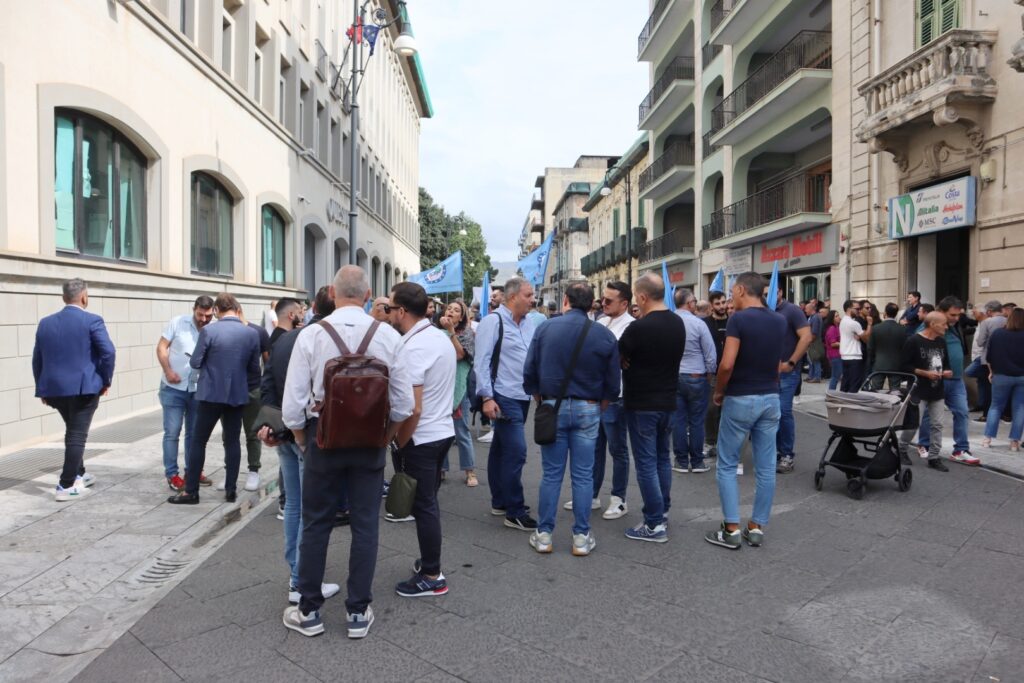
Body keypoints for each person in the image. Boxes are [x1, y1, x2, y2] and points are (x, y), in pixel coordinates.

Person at [280, 266, 413, 639]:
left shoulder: (311, 336)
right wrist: (383, 436)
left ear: (332, 294)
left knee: (316, 523)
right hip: (369, 444)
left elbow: (292, 406)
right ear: (369, 294)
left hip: (324, 441)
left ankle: (308, 610)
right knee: (366, 525)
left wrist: (304, 441)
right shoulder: (388, 337)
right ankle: (358, 612)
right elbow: (403, 406)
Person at [258, 287, 341, 605]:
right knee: (310, 509)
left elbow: (268, 384)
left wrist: (268, 426)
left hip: (283, 431)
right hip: (307, 435)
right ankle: (303, 580)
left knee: (293, 505)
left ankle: (296, 575)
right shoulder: (322, 340)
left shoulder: (284, 340)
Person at [524, 283, 619, 556]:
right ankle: (581, 536)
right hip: (588, 406)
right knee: (583, 474)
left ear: (565, 300)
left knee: (552, 473)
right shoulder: (603, 335)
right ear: (592, 304)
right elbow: (613, 382)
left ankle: (544, 535)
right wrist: (601, 403)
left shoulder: (545, 328)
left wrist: (538, 396)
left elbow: (530, 369)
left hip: (552, 406)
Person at [705, 272, 786, 550]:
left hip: (741, 396)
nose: (729, 298)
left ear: (741, 289)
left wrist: (719, 391)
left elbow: (727, 364)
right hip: (771, 397)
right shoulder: (779, 319)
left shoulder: (738, 319)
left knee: (727, 464)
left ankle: (730, 529)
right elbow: (777, 362)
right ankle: (756, 527)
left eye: (731, 292)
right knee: (766, 467)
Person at [388, 282, 457, 596]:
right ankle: (429, 562)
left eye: (390, 308)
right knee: (428, 501)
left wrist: (399, 441)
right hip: (440, 432)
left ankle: (432, 574)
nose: (388, 313)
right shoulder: (438, 338)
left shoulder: (414, 346)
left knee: (424, 505)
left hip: (422, 436)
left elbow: (412, 407)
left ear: (402, 311)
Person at [168, 293, 261, 505]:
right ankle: (231, 490)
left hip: (210, 394)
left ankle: (191, 491)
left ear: (217, 310)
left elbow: (195, 362)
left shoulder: (210, 331)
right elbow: (254, 369)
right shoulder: (251, 334)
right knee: (232, 441)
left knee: (199, 441)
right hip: (237, 395)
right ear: (236, 309)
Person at [33, 278, 116, 502]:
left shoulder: (45, 323)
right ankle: (66, 484)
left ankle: (79, 473)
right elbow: (108, 352)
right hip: (84, 388)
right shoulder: (92, 320)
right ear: (84, 297)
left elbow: (37, 359)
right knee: (77, 436)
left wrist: (42, 388)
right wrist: (105, 380)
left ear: (63, 297)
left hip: (54, 390)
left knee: (72, 431)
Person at [618, 274, 686, 543]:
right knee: (661, 459)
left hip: (642, 403)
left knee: (646, 462)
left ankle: (654, 523)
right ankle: (663, 510)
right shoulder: (678, 323)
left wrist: (626, 360)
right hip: (668, 401)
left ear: (643, 297)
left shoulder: (638, 328)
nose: (636, 301)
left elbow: (618, 354)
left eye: (636, 296)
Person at [474, 277, 538, 531]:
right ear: (513, 298)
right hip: (503, 395)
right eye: (528, 295)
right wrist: (487, 397)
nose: (533, 299)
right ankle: (514, 510)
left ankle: (499, 500)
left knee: (500, 448)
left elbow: (532, 357)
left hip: (522, 395)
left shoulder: (530, 322)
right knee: (517, 451)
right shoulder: (493, 321)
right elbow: (481, 362)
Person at [156, 295, 214, 492]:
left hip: (197, 390)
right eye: (200, 314)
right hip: (173, 388)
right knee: (172, 433)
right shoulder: (177, 323)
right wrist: (168, 370)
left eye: (208, 316)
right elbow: (161, 347)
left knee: (194, 434)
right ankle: (172, 474)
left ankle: (193, 471)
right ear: (194, 309)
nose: (203, 319)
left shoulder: (212, 330)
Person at [916, 296, 979, 466]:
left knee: (962, 411)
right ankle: (924, 444)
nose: (956, 318)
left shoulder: (955, 325)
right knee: (930, 414)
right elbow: (918, 349)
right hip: (936, 379)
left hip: (956, 379)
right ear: (941, 312)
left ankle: (961, 449)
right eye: (952, 315)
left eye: (958, 315)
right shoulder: (929, 326)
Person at [671, 288, 717, 474]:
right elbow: (710, 354)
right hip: (696, 376)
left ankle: (681, 461)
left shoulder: (668, 322)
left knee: (679, 420)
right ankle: (697, 461)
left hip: (674, 376)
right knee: (697, 421)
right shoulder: (699, 324)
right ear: (689, 304)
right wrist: (709, 373)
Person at [900, 311, 953, 472]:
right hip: (918, 390)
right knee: (913, 423)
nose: (946, 326)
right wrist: (925, 373)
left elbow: (947, 363)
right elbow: (903, 366)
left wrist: (948, 372)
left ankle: (934, 457)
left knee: (937, 425)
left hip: (937, 390)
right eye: (943, 323)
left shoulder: (941, 342)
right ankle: (902, 449)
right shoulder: (913, 341)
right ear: (932, 324)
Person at [233, 305, 272, 493]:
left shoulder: (258, 332)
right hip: (230, 392)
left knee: (252, 432)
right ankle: (229, 471)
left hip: (252, 389)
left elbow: (268, 361)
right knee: (229, 435)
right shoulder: (227, 331)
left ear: (238, 311)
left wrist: (265, 387)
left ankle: (253, 470)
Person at [773, 287, 812, 474]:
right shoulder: (763, 310)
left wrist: (791, 362)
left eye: (770, 292)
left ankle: (786, 454)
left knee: (783, 411)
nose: (767, 296)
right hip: (766, 374)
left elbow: (806, 337)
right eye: (763, 293)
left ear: (779, 291)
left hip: (787, 373)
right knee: (770, 414)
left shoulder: (792, 310)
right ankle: (773, 452)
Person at [438, 300, 477, 486]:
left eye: (456, 310)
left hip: (458, 389)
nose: (451, 311)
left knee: (462, 432)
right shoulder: (435, 333)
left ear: (461, 317)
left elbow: (461, 355)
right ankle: (441, 469)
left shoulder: (467, 333)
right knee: (441, 433)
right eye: (449, 309)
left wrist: (451, 333)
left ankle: (470, 471)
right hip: (440, 388)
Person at [982, 308, 1024, 452]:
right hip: (1022, 377)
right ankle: (1014, 442)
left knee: (995, 407)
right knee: (1019, 408)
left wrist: (991, 372)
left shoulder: (998, 333)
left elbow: (989, 356)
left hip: (1001, 375)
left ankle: (987, 439)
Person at [966, 301, 1006, 420]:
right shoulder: (1007, 320)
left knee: (974, 375)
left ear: (988, 311)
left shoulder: (987, 322)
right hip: (1003, 358)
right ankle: (993, 411)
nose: (973, 313)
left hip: (986, 359)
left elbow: (980, 342)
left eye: (975, 311)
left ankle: (987, 413)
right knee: (990, 385)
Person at [703, 291, 730, 459]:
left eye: (723, 302)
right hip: (713, 372)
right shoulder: (705, 324)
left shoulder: (733, 321)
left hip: (732, 371)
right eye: (718, 303)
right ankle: (710, 442)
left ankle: (725, 443)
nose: (722, 306)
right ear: (711, 305)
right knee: (711, 408)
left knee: (729, 409)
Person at [867, 303, 906, 389]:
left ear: (885, 313)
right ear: (896, 314)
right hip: (896, 364)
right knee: (895, 392)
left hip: (879, 364)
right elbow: (905, 349)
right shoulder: (902, 329)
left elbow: (870, 348)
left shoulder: (876, 328)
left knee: (876, 390)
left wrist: (872, 361)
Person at [839, 299, 872, 392]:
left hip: (846, 356)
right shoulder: (854, 323)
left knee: (845, 383)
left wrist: (861, 335)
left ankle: (842, 403)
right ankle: (849, 404)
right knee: (854, 385)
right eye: (857, 309)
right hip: (854, 356)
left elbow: (862, 336)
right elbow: (866, 339)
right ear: (849, 309)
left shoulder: (843, 320)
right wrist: (869, 324)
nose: (859, 310)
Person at [805, 302, 825, 383]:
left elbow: (814, 332)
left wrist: (809, 341)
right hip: (814, 341)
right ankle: (811, 376)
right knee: (811, 360)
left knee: (815, 359)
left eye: (806, 308)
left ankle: (817, 377)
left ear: (811, 309)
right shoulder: (814, 317)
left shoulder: (815, 318)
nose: (805, 310)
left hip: (814, 341)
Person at [824, 310, 843, 390]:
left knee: (836, 376)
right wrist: (845, 344)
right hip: (835, 356)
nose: (839, 317)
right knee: (835, 376)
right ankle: (831, 394)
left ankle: (832, 394)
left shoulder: (837, 327)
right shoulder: (832, 328)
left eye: (838, 315)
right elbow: (833, 343)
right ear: (832, 318)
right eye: (836, 316)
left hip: (838, 355)